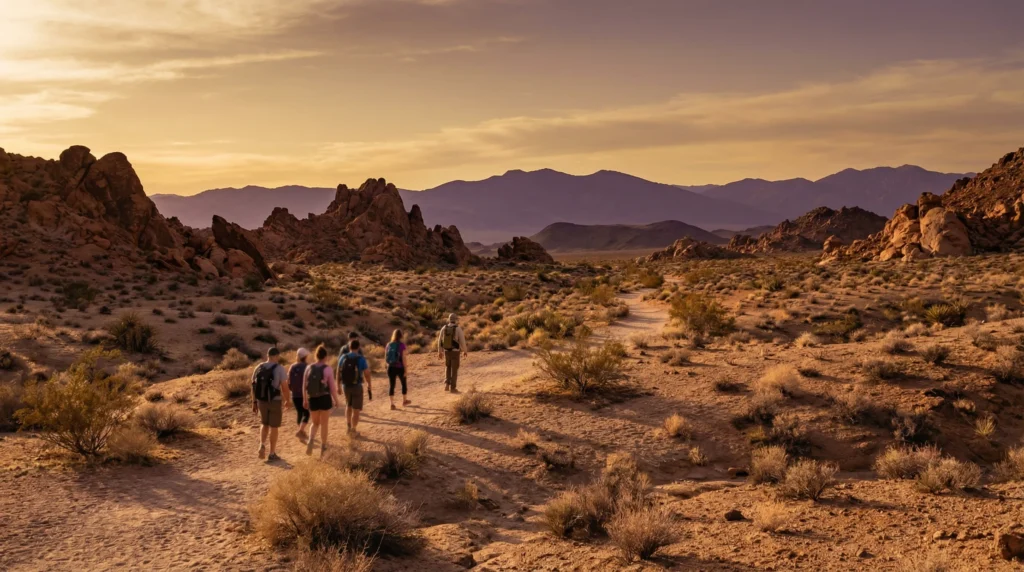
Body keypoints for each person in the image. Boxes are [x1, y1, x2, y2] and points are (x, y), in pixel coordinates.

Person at [252, 347, 289, 462]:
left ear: (267, 355)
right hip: (275, 401)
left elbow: (253, 386)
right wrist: (288, 400)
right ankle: (272, 453)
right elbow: (284, 387)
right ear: (276, 356)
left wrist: (254, 402)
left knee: (264, 423)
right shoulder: (280, 369)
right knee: (274, 427)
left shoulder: (258, 367)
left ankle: (262, 444)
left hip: (261, 401)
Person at [303, 345, 340, 457]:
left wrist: (305, 400)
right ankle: (323, 448)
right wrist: (336, 400)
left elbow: (303, 385)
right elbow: (332, 388)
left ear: (316, 356)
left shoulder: (309, 368)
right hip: (324, 398)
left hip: (312, 399)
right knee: (324, 424)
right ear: (325, 356)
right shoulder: (327, 369)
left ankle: (310, 440)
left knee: (314, 423)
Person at [339, 339, 372, 437]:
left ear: (349, 347)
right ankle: (354, 430)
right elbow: (367, 373)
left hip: (345, 386)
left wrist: (338, 385)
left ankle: (348, 427)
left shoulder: (343, 357)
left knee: (348, 406)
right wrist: (369, 384)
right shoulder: (361, 359)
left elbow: (338, 372)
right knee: (356, 410)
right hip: (357, 386)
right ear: (358, 347)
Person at [436, 313, 468, 393]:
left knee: (447, 367)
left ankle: (447, 384)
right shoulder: (458, 329)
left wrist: (440, 351)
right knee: (454, 369)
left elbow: (440, 340)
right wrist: (465, 350)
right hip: (455, 352)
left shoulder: (444, 328)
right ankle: (453, 388)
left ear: (449, 319)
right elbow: (462, 341)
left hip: (447, 351)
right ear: (455, 319)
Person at [288, 347, 311, 443]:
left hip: (294, 395)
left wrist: (292, 390)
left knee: (299, 413)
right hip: (304, 395)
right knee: (306, 413)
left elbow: (288, 381)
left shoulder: (292, 367)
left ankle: (301, 433)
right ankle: (301, 431)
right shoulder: (307, 366)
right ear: (305, 357)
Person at [385, 329, 411, 410]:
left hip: (390, 367)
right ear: (401, 336)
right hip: (399, 367)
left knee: (391, 385)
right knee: (403, 384)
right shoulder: (402, 345)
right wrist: (406, 369)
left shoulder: (388, 344)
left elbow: (385, 356)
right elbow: (404, 358)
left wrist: (387, 366)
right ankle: (404, 400)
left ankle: (392, 404)